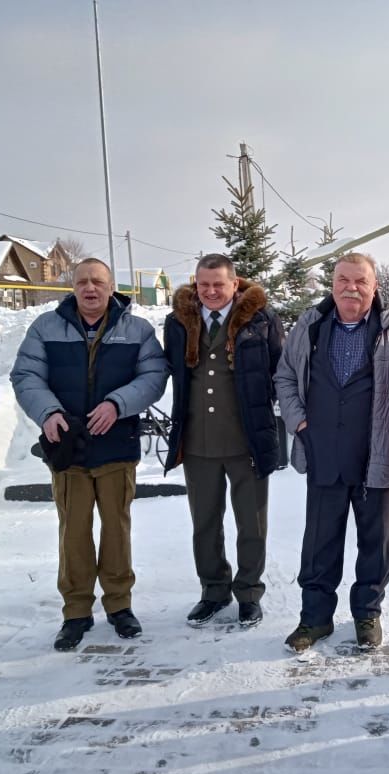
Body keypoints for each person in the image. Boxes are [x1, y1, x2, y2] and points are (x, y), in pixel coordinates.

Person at [11, 258, 167, 651]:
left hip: (117, 446)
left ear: (111, 286)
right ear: (73, 287)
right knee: (74, 532)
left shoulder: (138, 330)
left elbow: (153, 377)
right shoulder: (46, 328)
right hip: (69, 450)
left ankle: (119, 605)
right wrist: (48, 411)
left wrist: (118, 404)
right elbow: (26, 375)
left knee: (117, 530)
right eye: (82, 282)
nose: (90, 288)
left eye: (98, 281)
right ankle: (76, 611)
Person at [274, 253, 389, 652]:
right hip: (324, 456)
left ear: (375, 287)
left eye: (360, 281)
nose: (351, 288)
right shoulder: (310, 327)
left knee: (376, 542)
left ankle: (367, 614)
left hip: (377, 457)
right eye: (343, 280)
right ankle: (314, 619)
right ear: (331, 285)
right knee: (319, 543)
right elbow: (284, 375)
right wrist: (300, 423)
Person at [162, 253, 284, 628]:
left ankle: (248, 592)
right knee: (205, 523)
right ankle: (213, 590)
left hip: (246, 439)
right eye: (204, 285)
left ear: (235, 284)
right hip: (198, 442)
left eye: (219, 284)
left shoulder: (261, 320)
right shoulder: (178, 322)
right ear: (195, 286)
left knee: (252, 523)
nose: (211, 291)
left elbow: (280, 371)